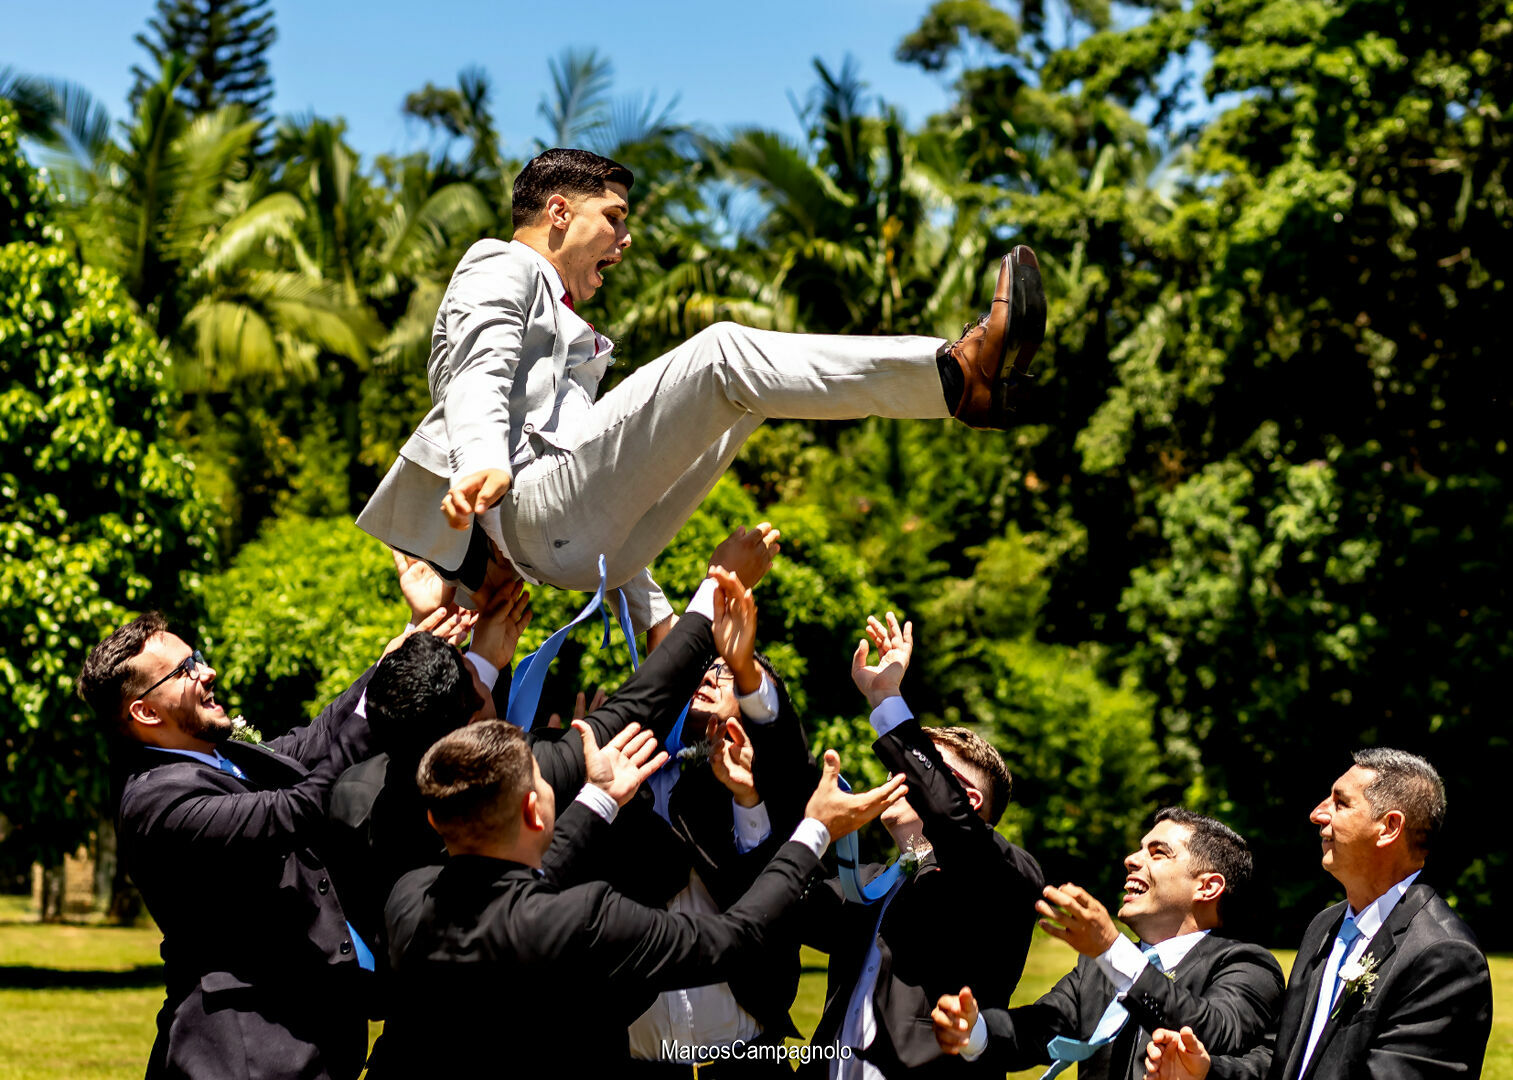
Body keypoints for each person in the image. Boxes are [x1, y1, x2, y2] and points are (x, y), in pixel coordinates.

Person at [355, 147, 1047, 638]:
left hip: (593, 554)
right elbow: (482, 360)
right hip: (531, 512)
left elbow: (603, 477)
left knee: (745, 398)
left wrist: (653, 618)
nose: (624, 240)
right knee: (721, 353)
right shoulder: (501, 263)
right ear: (558, 210)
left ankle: (972, 393)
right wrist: (481, 456)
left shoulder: (564, 316)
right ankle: (956, 376)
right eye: (615, 217)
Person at [371, 574, 912, 1076]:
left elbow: (784, 762)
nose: (707, 676)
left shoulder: (407, 894)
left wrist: (744, 696)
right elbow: (551, 874)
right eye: (699, 668)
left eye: (723, 673)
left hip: (749, 1057)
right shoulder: (607, 777)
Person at [73, 592, 468, 1080]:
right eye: (183, 672)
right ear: (146, 713)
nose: (207, 671)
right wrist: (384, 705)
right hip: (246, 1053)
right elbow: (297, 808)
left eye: (195, 657)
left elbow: (315, 739)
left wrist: (393, 660)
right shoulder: (156, 804)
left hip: (312, 1036)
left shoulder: (221, 755)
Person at [1143, 749, 1493, 1080]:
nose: (1317, 813)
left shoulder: (1443, 955)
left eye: (1340, 803)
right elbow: (1287, 1060)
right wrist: (1208, 1072)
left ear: (1389, 827)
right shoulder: (1325, 927)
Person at [799, 612, 1046, 1077]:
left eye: (919, 768)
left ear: (968, 800)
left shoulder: (1006, 877)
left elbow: (955, 825)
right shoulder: (866, 883)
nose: (898, 774)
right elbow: (780, 901)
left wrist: (886, 700)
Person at [931, 809, 1283, 1078]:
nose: (1132, 859)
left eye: (1158, 852)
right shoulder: (1095, 968)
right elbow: (1039, 1029)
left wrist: (1111, 950)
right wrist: (974, 1028)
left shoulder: (1248, 964)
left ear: (1207, 887)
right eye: (1139, 849)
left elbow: (1214, 1033)